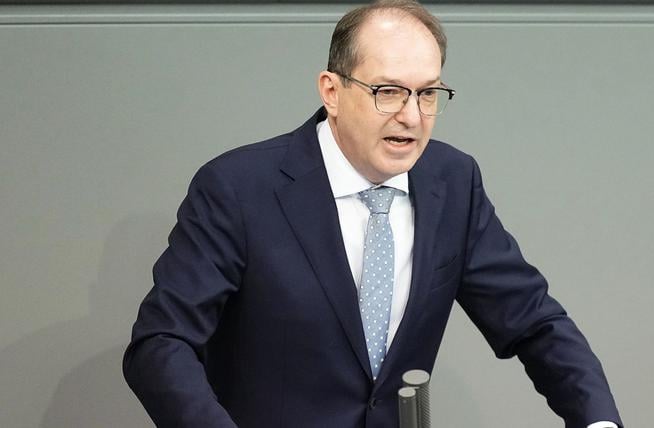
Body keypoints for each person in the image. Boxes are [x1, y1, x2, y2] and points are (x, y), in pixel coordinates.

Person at [123, 1, 622, 426]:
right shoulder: (239, 188)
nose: (411, 115)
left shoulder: (452, 181)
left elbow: (533, 321)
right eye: (388, 91)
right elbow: (160, 344)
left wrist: (597, 419)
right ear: (332, 91)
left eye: (427, 93)